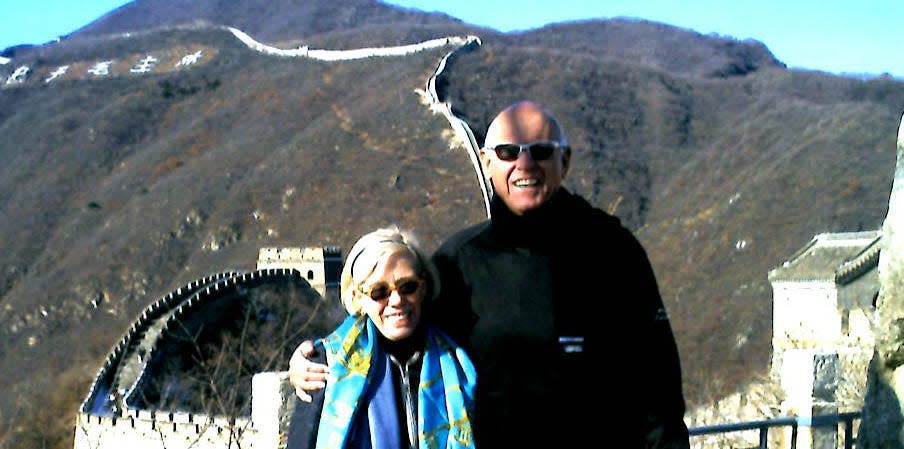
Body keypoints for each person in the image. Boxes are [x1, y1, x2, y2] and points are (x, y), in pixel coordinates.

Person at [291, 100, 690, 448]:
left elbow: (659, 387)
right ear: (486, 163)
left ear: (564, 161)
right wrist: (316, 357)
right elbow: (397, 329)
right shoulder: (460, 262)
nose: (525, 163)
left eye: (541, 151)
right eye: (508, 151)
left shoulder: (613, 253)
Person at [286, 226, 477, 449]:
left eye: (408, 287)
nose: (396, 300)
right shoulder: (326, 365)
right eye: (379, 291)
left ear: (423, 288)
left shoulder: (461, 361)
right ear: (358, 297)